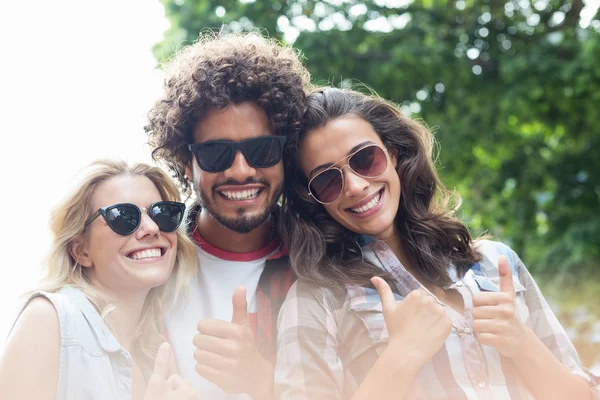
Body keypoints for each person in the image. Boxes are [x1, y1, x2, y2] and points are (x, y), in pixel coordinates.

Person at [276, 87, 600, 399]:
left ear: (393, 153)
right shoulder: (315, 302)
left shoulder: (495, 263)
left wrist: (522, 344)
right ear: (313, 199)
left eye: (365, 159)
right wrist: (399, 359)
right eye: (328, 180)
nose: (356, 186)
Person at [145, 32, 311, 399]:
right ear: (186, 164)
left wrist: (265, 385)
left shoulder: (324, 262)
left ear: (285, 155)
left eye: (262, 149)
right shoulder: (148, 265)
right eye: (216, 153)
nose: (240, 170)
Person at [0, 160, 199, 399]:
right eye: (124, 217)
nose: (152, 227)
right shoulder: (48, 320)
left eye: (162, 213)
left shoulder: (157, 347)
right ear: (81, 251)